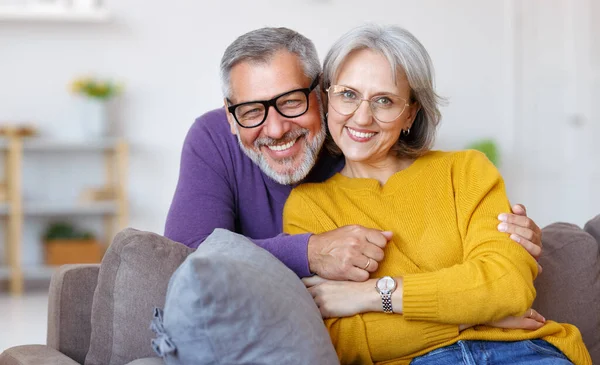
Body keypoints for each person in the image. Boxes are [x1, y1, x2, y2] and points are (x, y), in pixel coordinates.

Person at [282, 24, 591, 365]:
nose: (362, 116)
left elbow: (508, 287)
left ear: (410, 113)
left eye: (384, 100)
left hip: (524, 353)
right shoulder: (308, 205)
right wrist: (467, 317)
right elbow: (340, 340)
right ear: (327, 99)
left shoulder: (467, 170)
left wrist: (371, 294)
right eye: (348, 94)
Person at [165, 27, 543, 283]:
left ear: (321, 95)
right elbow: (185, 257)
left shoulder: (363, 147)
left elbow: (464, 265)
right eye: (250, 111)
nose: (276, 128)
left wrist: (505, 242)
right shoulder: (212, 138)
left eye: (292, 102)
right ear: (230, 115)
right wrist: (310, 250)